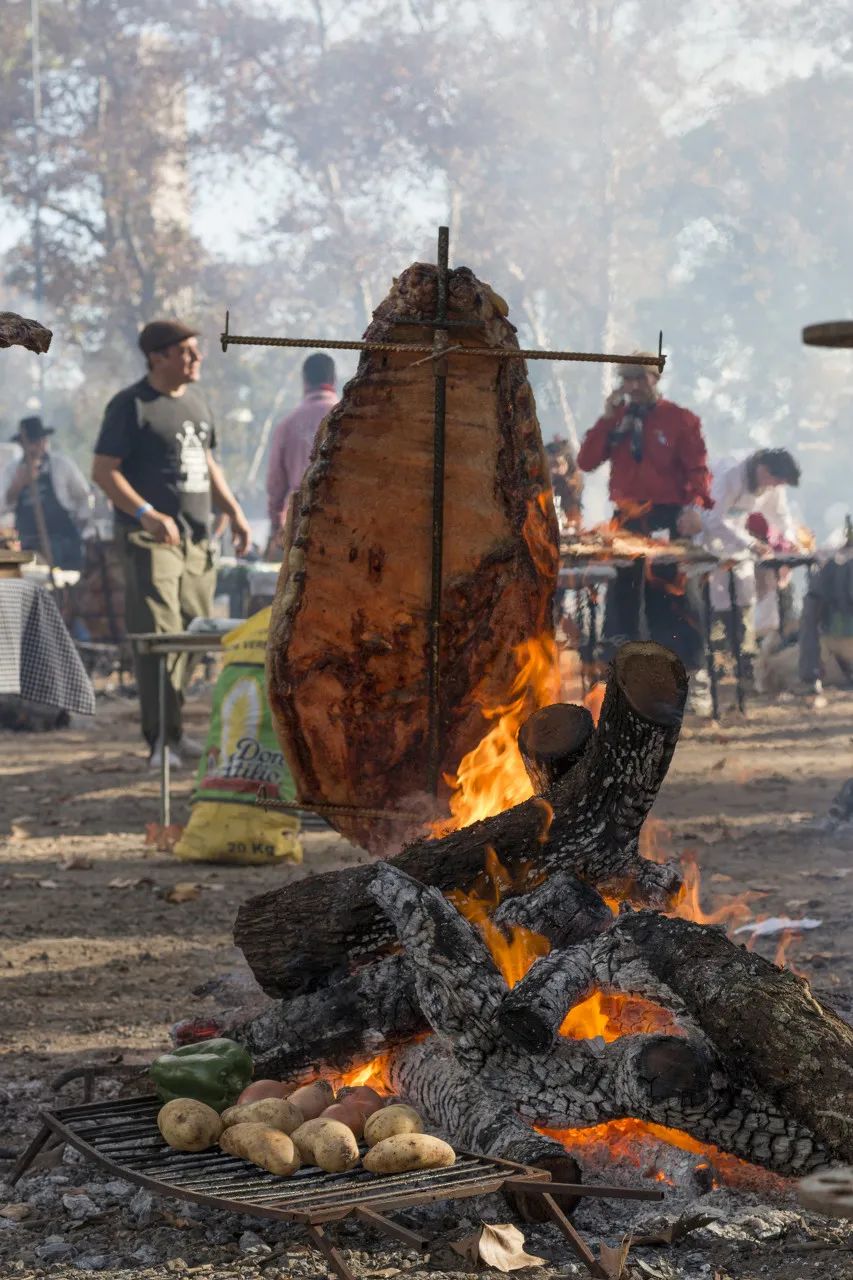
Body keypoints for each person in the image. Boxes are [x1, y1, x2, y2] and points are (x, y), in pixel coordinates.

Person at [92, 319, 252, 767]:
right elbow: (104, 470)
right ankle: (160, 741)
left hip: (199, 542)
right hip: (150, 540)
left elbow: (208, 462)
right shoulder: (131, 405)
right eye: (186, 351)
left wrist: (234, 512)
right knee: (158, 637)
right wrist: (148, 514)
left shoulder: (198, 404)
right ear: (157, 356)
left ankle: (176, 734)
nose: (197, 358)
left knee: (190, 636)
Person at [577, 353, 713, 687]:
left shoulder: (680, 419)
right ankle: (623, 679)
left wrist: (695, 507)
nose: (634, 386)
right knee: (623, 594)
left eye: (640, 378)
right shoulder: (617, 420)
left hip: (667, 518)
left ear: (655, 379)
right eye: (627, 379)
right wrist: (607, 420)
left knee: (671, 597)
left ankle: (687, 676)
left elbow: (698, 470)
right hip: (626, 521)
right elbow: (586, 461)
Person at [678, 448, 802, 665]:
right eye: (775, 480)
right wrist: (751, 542)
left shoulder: (772, 484)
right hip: (706, 529)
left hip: (737, 535)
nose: (774, 487)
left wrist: (791, 539)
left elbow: (779, 514)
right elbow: (714, 518)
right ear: (763, 469)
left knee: (745, 590)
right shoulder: (729, 474)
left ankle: (744, 651)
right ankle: (716, 653)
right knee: (718, 590)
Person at [266, 352, 338, 553]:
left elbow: (275, 483)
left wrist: (276, 525)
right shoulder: (348, 418)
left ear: (304, 380)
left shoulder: (287, 425)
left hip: (300, 522)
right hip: (342, 519)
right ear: (333, 380)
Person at [1, 417, 93, 570]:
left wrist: (83, 523)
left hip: (64, 541)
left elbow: (84, 496)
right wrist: (19, 483)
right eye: (30, 443)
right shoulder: (12, 471)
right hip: (29, 545)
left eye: (38, 442)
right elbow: (3, 506)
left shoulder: (61, 465)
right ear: (22, 445)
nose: (35, 447)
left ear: (44, 441)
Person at [545, 438, 583, 532]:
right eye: (551, 465)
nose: (555, 469)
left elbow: (574, 516)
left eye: (557, 464)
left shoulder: (572, 481)